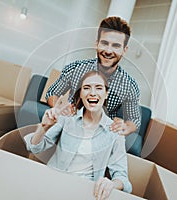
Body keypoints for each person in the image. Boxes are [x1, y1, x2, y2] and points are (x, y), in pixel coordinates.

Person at [24, 71, 132, 200]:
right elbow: (34, 148)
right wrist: (43, 127)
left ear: (106, 93)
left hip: (85, 192)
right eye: (86, 88)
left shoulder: (115, 132)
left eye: (98, 88)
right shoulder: (67, 118)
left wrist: (112, 184)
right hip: (52, 184)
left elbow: (123, 179)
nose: (92, 93)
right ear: (81, 93)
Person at [45, 16, 141, 136]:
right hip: (68, 128)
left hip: (100, 136)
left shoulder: (130, 86)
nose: (108, 51)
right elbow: (51, 93)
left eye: (116, 46)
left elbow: (134, 120)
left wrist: (126, 127)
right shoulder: (75, 68)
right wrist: (60, 107)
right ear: (97, 44)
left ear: (124, 50)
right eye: (104, 43)